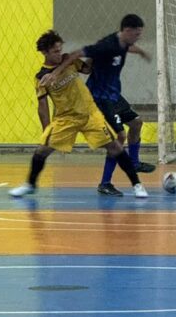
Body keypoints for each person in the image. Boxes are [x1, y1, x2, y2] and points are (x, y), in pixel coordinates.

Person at [9, 30, 148, 198]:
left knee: (115, 146)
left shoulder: (69, 61)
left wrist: (97, 52)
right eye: (55, 51)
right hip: (66, 119)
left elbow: (88, 69)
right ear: (44, 52)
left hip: (90, 114)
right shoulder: (41, 77)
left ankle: (137, 184)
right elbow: (43, 106)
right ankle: (30, 184)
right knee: (41, 151)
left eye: (60, 50)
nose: (59, 54)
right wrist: (47, 130)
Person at [41, 14, 155, 197]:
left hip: (113, 94)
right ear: (127, 31)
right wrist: (55, 73)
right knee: (119, 137)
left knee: (136, 123)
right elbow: (76, 55)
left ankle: (133, 163)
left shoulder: (122, 42)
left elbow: (127, 48)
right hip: (99, 97)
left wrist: (141, 52)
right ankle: (105, 183)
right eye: (137, 34)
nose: (139, 37)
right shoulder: (105, 46)